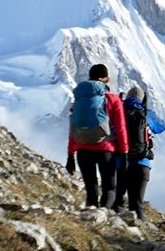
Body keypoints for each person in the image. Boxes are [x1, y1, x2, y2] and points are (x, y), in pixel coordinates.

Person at [66, 64, 129, 211]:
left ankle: (91, 218)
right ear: (106, 79)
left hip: (82, 150)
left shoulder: (79, 99)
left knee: (91, 189)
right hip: (105, 150)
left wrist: (70, 154)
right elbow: (120, 128)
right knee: (109, 189)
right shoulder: (112, 99)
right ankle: (102, 215)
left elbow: (73, 126)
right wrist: (124, 152)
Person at [119, 85, 155, 219]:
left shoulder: (120, 111)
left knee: (117, 202)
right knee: (137, 204)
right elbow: (161, 126)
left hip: (122, 164)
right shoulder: (145, 113)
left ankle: (119, 231)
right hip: (142, 164)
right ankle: (140, 235)